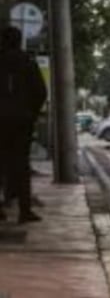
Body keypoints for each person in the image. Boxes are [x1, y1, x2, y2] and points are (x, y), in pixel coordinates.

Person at [0, 26, 47, 223]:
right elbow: (41, 91)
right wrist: (31, 114)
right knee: (21, 164)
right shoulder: (28, 62)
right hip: (22, 122)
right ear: (19, 41)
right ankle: (24, 211)